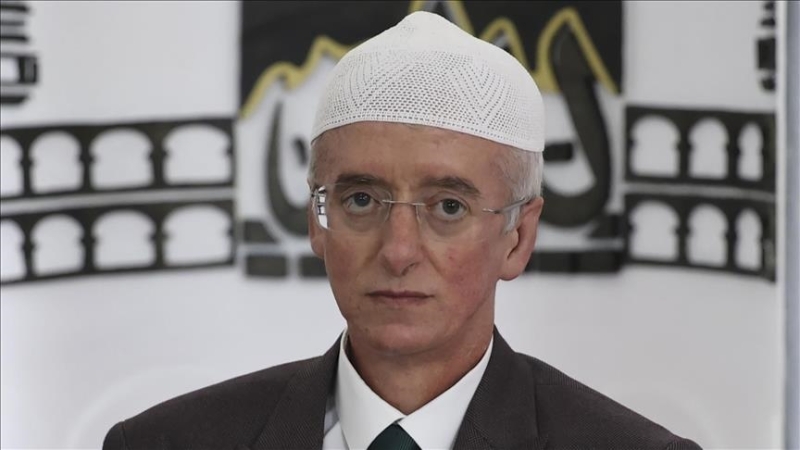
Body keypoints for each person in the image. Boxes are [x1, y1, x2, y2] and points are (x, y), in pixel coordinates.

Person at [103, 11, 701, 450]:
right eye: (362, 200)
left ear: (518, 237)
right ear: (317, 222)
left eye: (448, 207)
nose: (398, 251)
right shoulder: (163, 443)